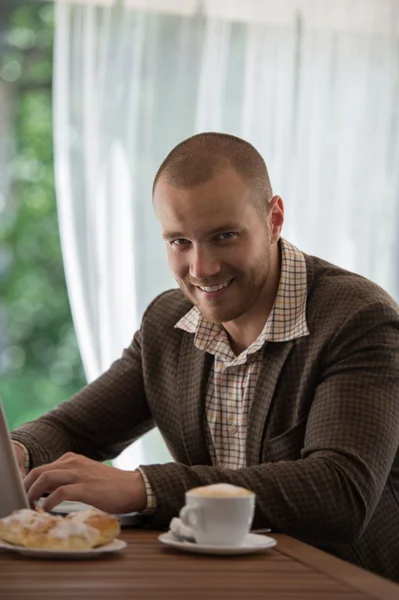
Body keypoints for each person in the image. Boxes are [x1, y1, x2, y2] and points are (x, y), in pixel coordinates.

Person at [11, 133, 399, 581]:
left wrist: (144, 488)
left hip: (340, 584)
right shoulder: (168, 322)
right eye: (179, 242)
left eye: (224, 236)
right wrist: (18, 452)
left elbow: (339, 494)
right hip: (217, 580)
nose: (201, 269)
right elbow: (74, 428)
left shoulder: (358, 319)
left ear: (274, 218)